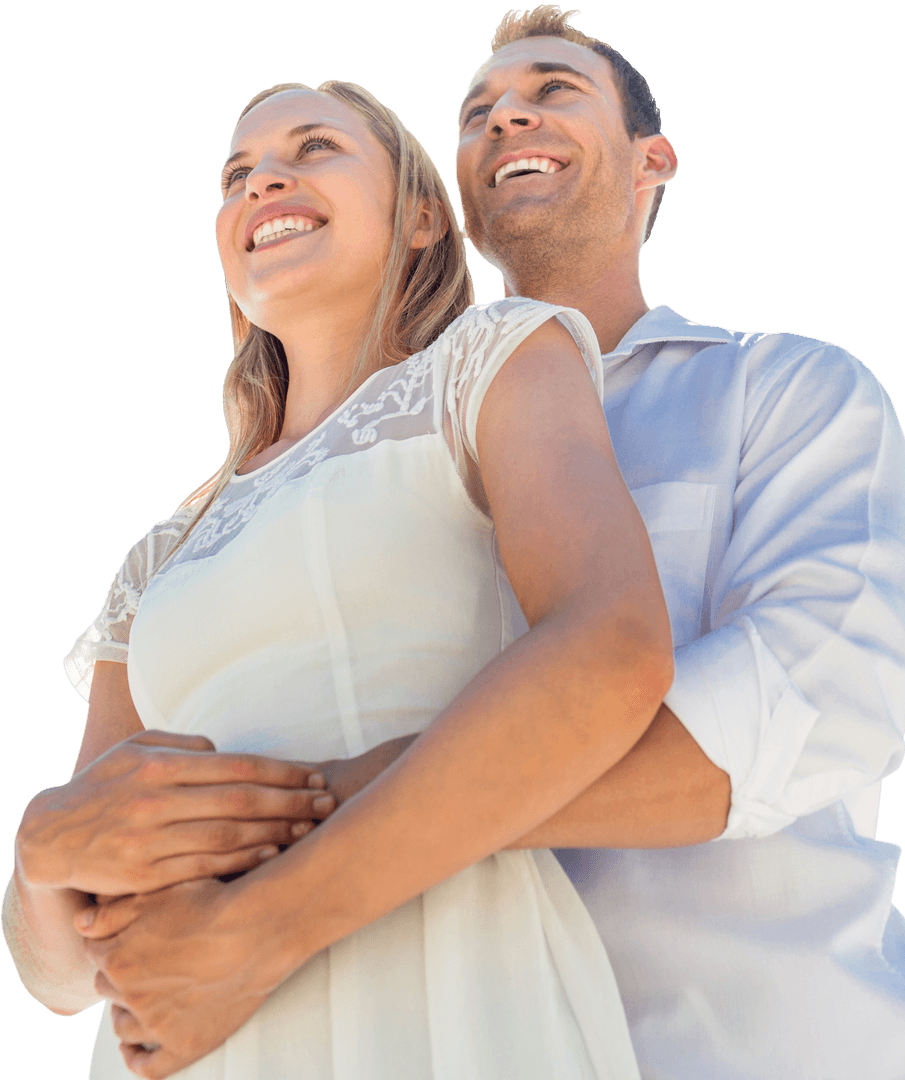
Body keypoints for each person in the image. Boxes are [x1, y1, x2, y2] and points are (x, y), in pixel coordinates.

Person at [55, 5, 905, 1078]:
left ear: (653, 160)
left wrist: (325, 820)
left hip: (779, 1047)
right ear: (447, 209)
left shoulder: (784, 392)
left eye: (552, 90)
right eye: (478, 113)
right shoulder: (364, 473)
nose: (509, 118)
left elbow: (803, 704)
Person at [3, 77, 674, 1078]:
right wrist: (40, 860)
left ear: (419, 216)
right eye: (235, 175)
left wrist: (261, 923)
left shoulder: (485, 364)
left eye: (314, 148)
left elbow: (611, 645)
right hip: (191, 1035)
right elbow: (60, 972)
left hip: (449, 989)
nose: (263, 178)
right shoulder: (163, 552)